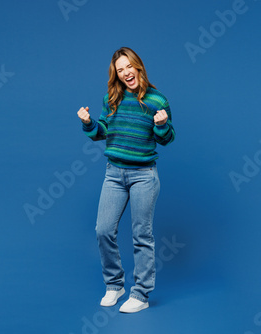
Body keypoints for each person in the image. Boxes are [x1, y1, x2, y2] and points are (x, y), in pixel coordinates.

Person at [77, 47, 175, 313]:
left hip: (144, 175)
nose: (125, 73)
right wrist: (88, 123)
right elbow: (102, 131)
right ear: (117, 75)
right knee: (103, 230)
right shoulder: (112, 98)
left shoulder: (158, 100)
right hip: (114, 173)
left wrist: (162, 124)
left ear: (138, 66)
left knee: (141, 235)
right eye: (120, 70)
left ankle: (141, 295)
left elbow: (167, 139)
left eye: (128, 67)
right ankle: (114, 285)